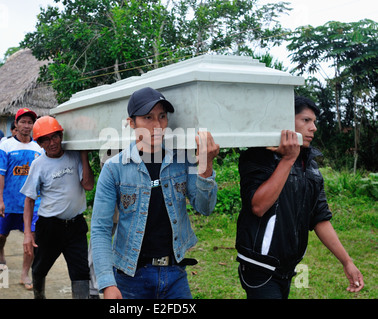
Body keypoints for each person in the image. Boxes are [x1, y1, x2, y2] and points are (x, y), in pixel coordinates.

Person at [90, 87, 219, 299]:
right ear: (131, 123)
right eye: (148, 118)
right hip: (130, 277)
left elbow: (205, 208)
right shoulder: (114, 168)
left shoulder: (183, 160)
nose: (157, 126)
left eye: (162, 116)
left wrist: (206, 163)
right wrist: (106, 282)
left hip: (175, 273)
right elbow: (100, 228)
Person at [235, 96, 364, 299]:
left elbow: (319, 217)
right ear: (286, 121)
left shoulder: (310, 166)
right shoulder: (258, 156)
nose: (313, 128)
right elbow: (258, 206)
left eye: (314, 122)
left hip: (288, 268)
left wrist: (347, 262)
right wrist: (288, 159)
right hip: (260, 266)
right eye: (306, 120)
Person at [21, 116, 94, 299]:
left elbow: (88, 185)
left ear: (61, 136)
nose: (51, 143)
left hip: (76, 226)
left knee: (80, 272)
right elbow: (29, 200)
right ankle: (39, 295)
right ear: (39, 143)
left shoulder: (75, 156)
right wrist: (28, 234)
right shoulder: (38, 165)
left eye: (54, 137)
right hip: (49, 226)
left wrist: (84, 156)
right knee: (39, 268)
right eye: (45, 140)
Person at [0, 108, 42, 290]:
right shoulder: (6, 145)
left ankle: (24, 273)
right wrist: (0, 201)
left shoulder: (38, 147)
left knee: (32, 237)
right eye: (23, 122)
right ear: (16, 124)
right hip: (10, 201)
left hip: (33, 203)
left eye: (30, 122)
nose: (27, 126)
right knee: (1, 234)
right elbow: (0, 175)